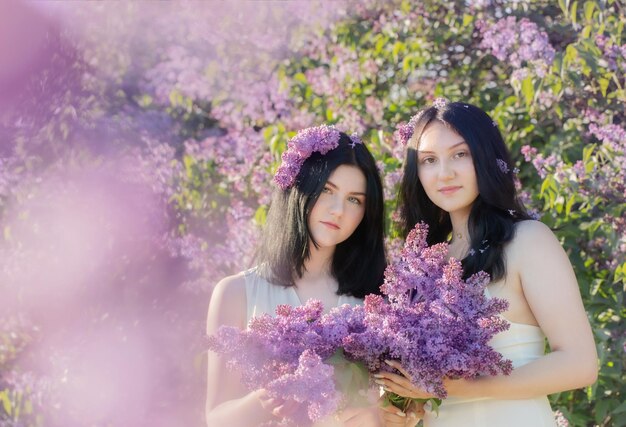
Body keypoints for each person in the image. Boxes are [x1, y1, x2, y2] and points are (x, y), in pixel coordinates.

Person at [376, 99, 598, 427]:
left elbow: (580, 364)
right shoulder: (423, 266)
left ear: (485, 156)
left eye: (460, 154)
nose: (444, 173)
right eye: (429, 160)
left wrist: (457, 388)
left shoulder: (528, 240)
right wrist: (405, 405)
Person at [206, 125, 387, 427]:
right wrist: (264, 399)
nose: (338, 210)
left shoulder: (375, 299)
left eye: (354, 200)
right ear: (299, 188)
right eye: (327, 191)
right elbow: (216, 418)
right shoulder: (237, 292)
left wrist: (379, 415)